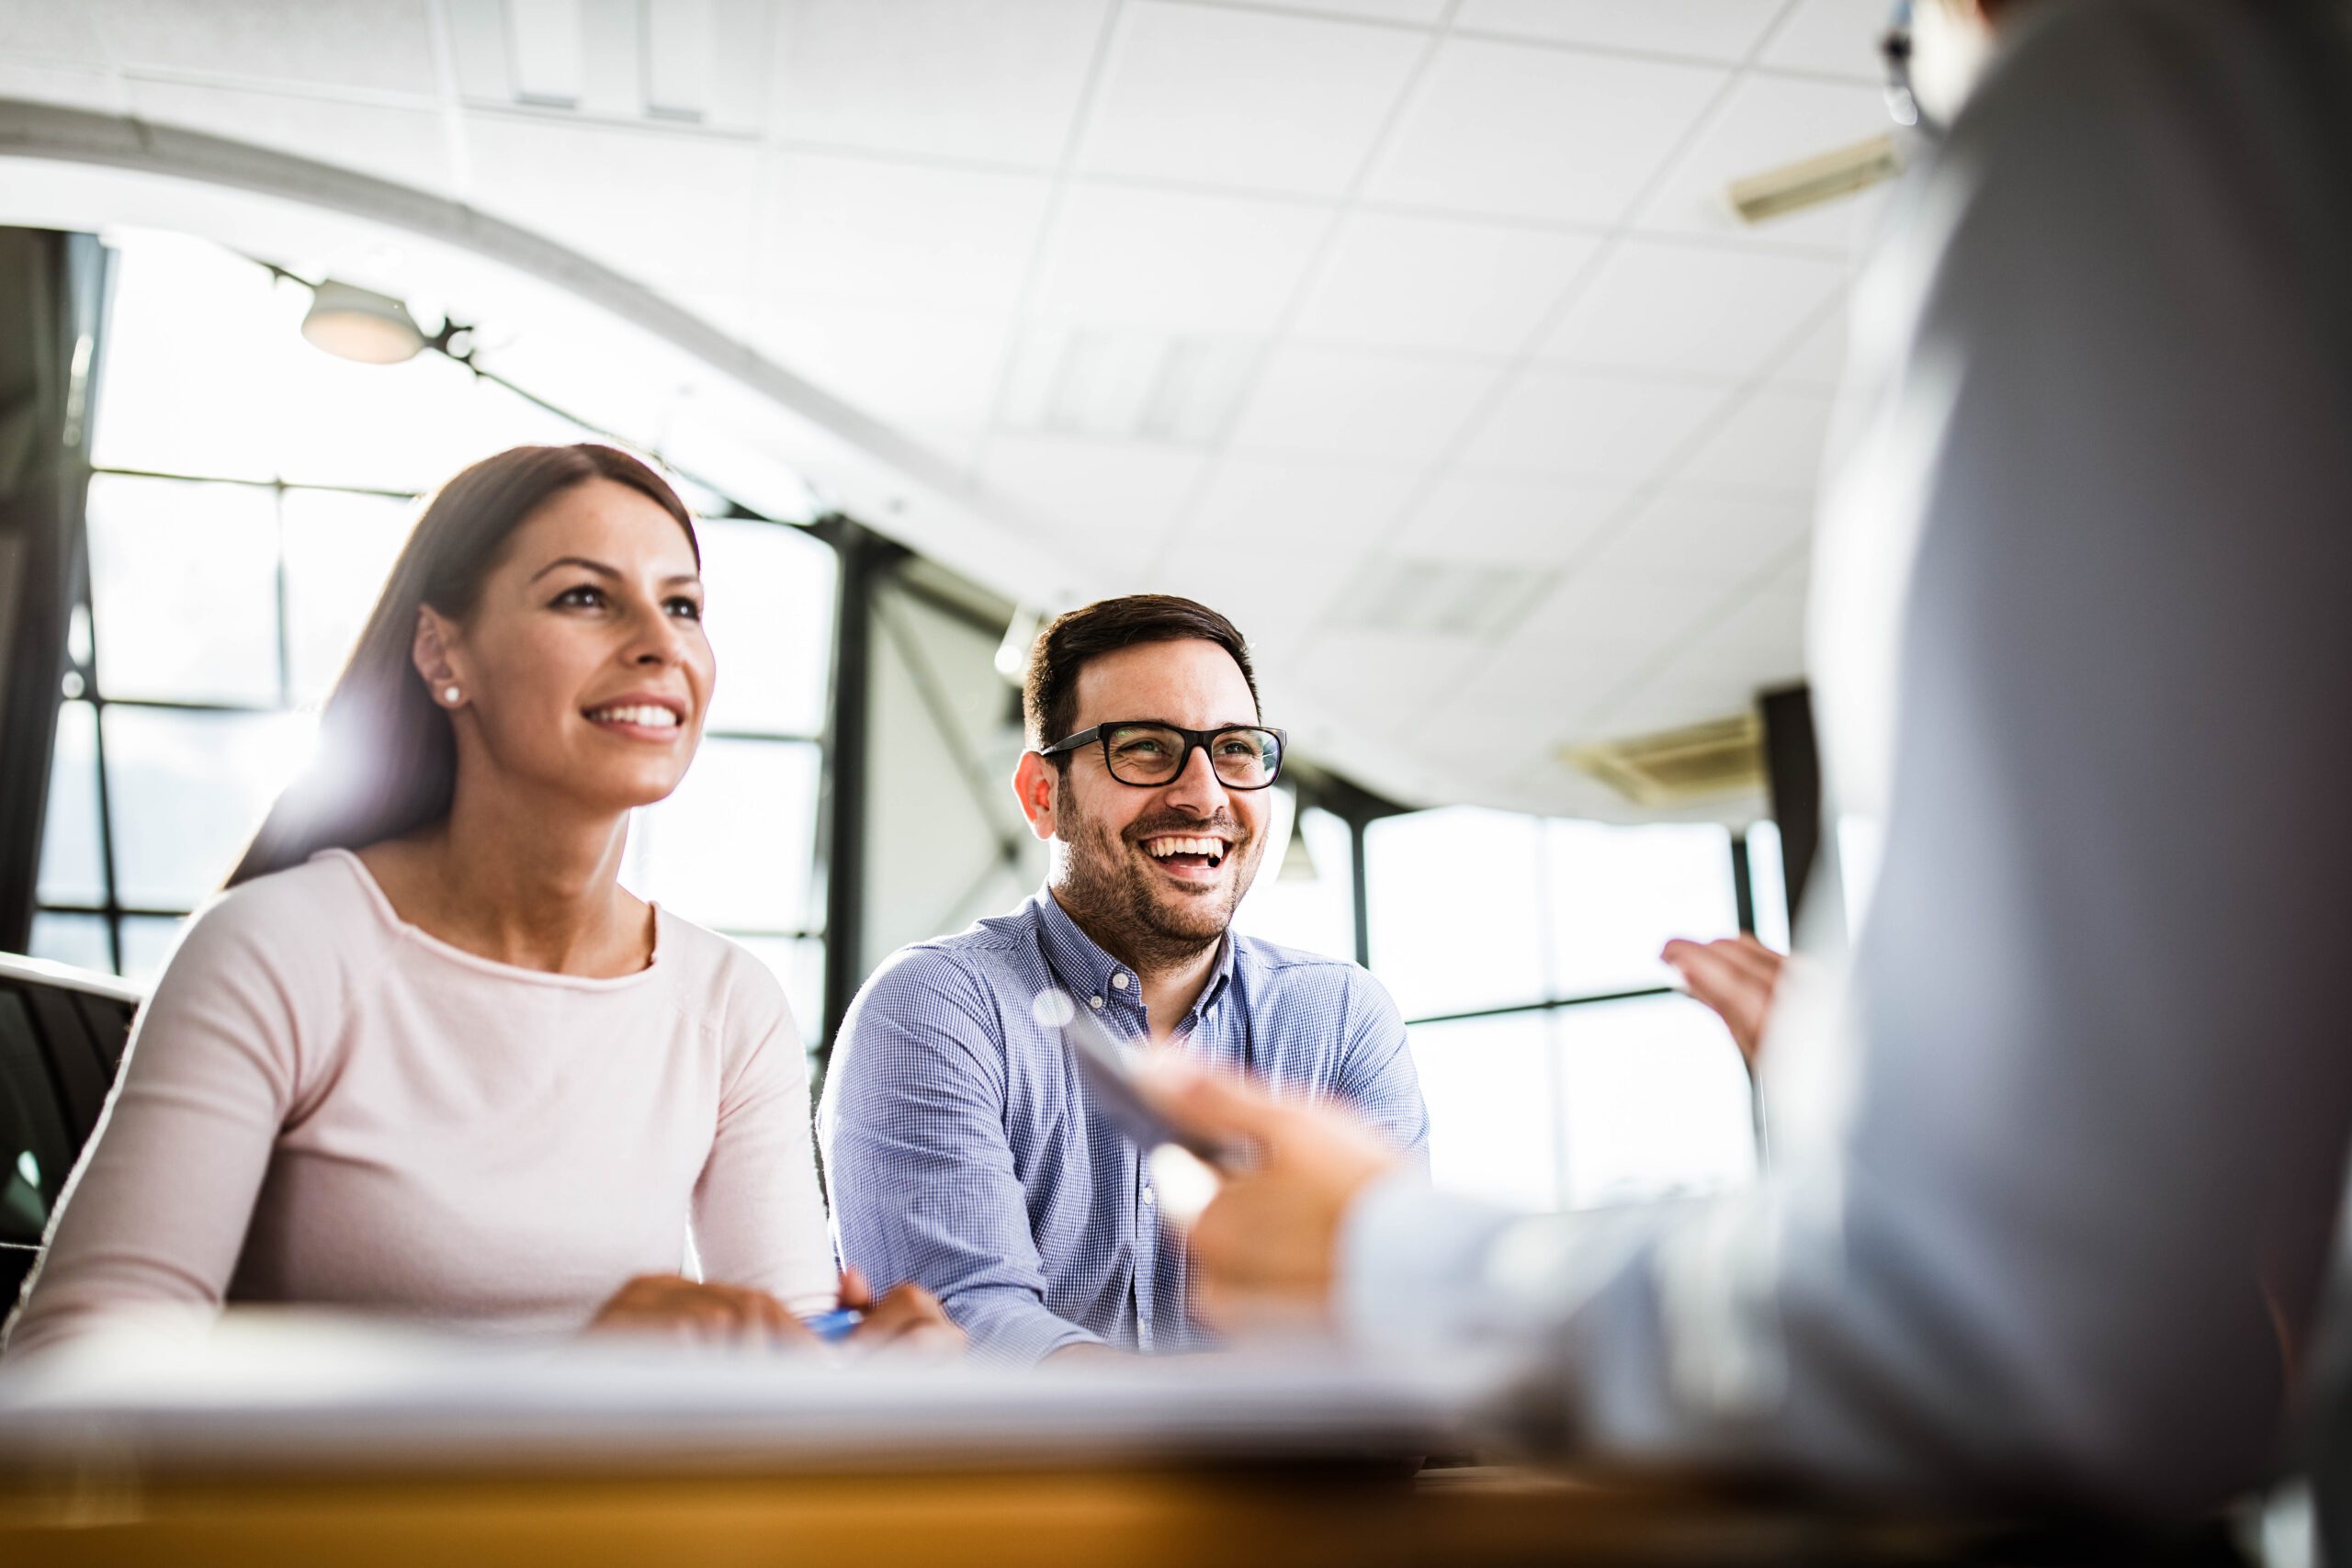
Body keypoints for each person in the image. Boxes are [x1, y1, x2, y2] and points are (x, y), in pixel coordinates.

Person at [1147, 0, 2352, 1517]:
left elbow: (2023, 1331)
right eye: (1148, 749)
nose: (1200, 792)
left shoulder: (2146, 96)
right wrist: (1939, 1119)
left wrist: (1395, 1258)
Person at [4, 444, 956, 1360]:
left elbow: (781, 1348)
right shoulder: (277, 948)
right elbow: (77, 1362)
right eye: (586, 597)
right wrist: (574, 1390)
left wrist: (857, 1376)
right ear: (440, 653)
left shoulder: (726, 1004)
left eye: (683, 605)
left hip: (607, 1527)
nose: (660, 644)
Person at [820, 595, 1429, 1362]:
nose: (1205, 795)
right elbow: (964, 1326)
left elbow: (1391, 1328)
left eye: (1235, 748)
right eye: (1144, 747)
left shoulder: (1341, 1016)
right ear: (1044, 794)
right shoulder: (937, 1007)